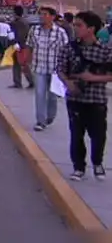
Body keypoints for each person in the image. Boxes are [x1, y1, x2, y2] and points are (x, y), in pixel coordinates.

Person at [56, 11, 112, 181]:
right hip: (75, 99)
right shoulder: (69, 48)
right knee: (76, 134)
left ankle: (97, 163)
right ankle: (78, 167)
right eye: (75, 24)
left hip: (97, 100)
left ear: (91, 29)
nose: (76, 28)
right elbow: (60, 69)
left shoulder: (105, 51)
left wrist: (92, 78)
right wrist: (68, 83)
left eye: (79, 25)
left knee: (98, 134)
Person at [28, 7, 69, 132]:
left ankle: (50, 116)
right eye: (40, 14)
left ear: (52, 17)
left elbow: (66, 50)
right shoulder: (34, 30)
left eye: (45, 14)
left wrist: (65, 69)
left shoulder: (60, 32)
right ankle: (40, 121)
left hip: (55, 69)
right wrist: (28, 62)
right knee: (40, 94)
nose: (42, 16)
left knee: (52, 96)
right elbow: (29, 46)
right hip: (38, 67)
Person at [10, 5, 33, 89]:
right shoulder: (24, 21)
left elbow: (20, 35)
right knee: (17, 64)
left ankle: (31, 81)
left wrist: (16, 43)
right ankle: (17, 82)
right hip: (22, 45)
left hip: (20, 46)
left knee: (23, 64)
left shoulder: (18, 22)